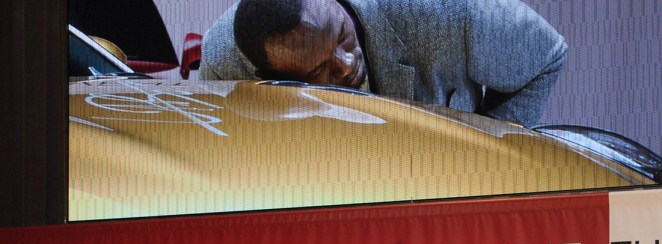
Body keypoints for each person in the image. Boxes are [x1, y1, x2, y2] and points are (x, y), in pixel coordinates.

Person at [199, 0, 567, 128]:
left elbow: (547, 54)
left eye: (342, 35)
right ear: (266, 76)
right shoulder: (225, 69)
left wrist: (488, 148)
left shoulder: (445, 11)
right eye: (317, 71)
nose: (345, 65)